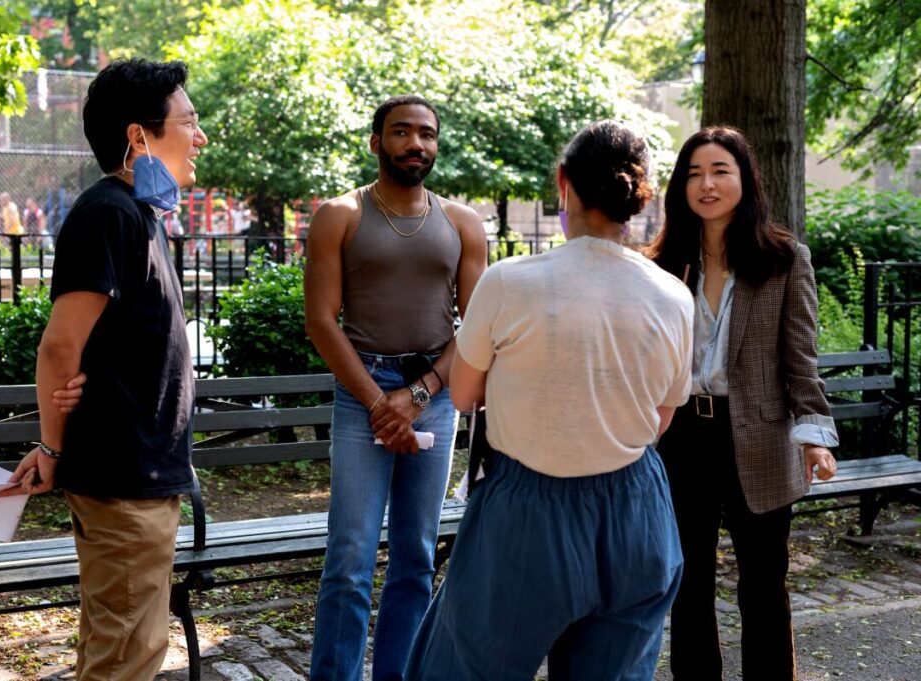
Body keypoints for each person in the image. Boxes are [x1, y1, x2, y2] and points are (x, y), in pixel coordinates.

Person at [405, 121, 693, 681]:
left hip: (527, 513)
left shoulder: (510, 282)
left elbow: (463, 394)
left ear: (563, 183)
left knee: (464, 669)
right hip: (637, 510)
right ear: (642, 195)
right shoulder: (672, 295)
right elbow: (661, 417)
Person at [0, 58, 208, 680]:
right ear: (139, 136)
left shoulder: (138, 214)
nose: (199, 136)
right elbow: (60, 348)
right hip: (123, 476)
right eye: (188, 122)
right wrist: (53, 448)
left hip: (141, 473)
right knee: (127, 659)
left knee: (119, 650)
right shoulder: (108, 214)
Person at [303, 94, 488, 681]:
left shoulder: (463, 222)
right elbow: (320, 320)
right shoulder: (341, 214)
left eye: (427, 134)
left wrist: (422, 394)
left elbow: (477, 324)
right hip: (364, 394)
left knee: (415, 556)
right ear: (376, 140)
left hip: (431, 397)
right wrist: (382, 403)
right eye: (402, 132)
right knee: (351, 558)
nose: (416, 144)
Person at [646, 127, 839, 681]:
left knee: (762, 585)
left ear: (744, 179)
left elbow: (800, 361)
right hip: (679, 437)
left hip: (759, 436)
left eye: (719, 171)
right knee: (686, 583)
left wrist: (814, 437)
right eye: (693, 174)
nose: (706, 184)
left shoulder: (782, 258)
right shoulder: (662, 265)